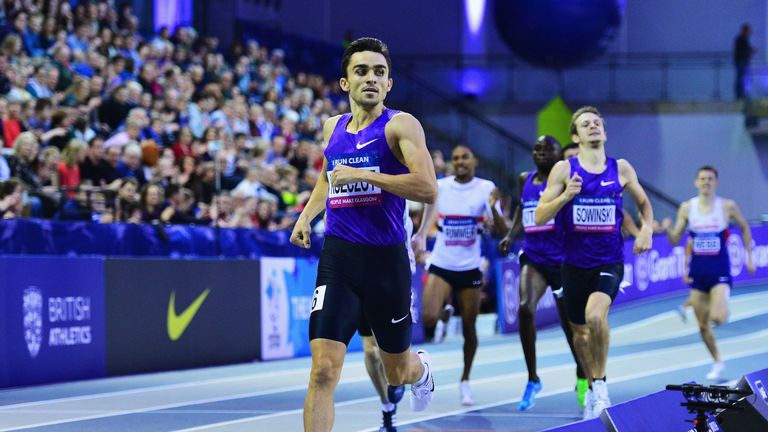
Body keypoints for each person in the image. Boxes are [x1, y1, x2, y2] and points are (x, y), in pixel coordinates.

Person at [289, 37, 437, 432]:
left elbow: (426, 188)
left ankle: (421, 371)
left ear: (389, 84)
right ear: (344, 82)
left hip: (386, 262)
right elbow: (328, 176)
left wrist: (368, 175)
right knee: (322, 371)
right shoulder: (331, 127)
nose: (371, 78)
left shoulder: (400, 125)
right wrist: (306, 216)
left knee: (396, 372)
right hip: (338, 259)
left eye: (379, 72)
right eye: (361, 71)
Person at [535, 106, 654, 420]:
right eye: (585, 124)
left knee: (595, 317)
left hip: (609, 260)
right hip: (574, 264)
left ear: (604, 131)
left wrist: (646, 229)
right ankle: (589, 382)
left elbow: (644, 204)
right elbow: (539, 215)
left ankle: (600, 385)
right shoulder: (564, 170)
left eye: (597, 122)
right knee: (580, 333)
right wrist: (564, 197)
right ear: (576, 135)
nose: (593, 127)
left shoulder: (621, 168)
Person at [412, 144, 507, 406]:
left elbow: (503, 230)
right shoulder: (440, 186)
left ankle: (465, 380)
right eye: (455, 159)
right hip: (442, 262)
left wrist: (495, 208)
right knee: (428, 316)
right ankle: (445, 311)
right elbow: (426, 219)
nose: (460, 161)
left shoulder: (486, 188)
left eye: (465, 157)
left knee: (469, 329)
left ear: (474, 160)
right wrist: (421, 239)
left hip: (470, 268)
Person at [498, 135, 587, 412]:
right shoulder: (525, 178)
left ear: (559, 154)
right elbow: (521, 211)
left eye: (548, 149)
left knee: (570, 326)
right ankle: (533, 378)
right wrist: (511, 236)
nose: (541, 153)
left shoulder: (568, 179)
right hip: (534, 256)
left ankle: (583, 374)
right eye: (537, 148)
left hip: (562, 260)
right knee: (525, 308)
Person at [664, 166, 755, 380]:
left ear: (716, 182)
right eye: (702, 179)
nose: (706, 182)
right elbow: (675, 240)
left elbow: (744, 227)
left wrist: (749, 255)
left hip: (720, 270)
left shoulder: (727, 206)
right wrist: (667, 229)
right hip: (699, 272)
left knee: (718, 317)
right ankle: (717, 361)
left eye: (710, 179)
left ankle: (722, 307)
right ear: (696, 182)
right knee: (703, 325)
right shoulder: (687, 208)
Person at [362, 202, 417, 432]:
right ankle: (386, 407)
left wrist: (423, 234)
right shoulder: (353, 205)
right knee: (370, 350)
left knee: (392, 356)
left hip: (395, 278)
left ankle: (402, 375)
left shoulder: (397, 201)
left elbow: (430, 195)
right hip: (360, 278)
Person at [734, 23, 756, 100]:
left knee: (743, 79)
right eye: (748, 32)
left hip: (743, 62)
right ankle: (740, 96)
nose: (749, 34)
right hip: (741, 62)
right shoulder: (740, 39)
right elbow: (741, 51)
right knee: (741, 79)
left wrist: (750, 51)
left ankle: (741, 95)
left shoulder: (743, 40)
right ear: (744, 31)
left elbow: (744, 50)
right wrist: (749, 51)